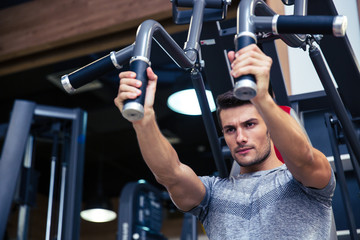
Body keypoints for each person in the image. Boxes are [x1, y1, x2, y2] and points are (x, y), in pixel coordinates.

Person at [114, 44, 335, 239]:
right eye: (230, 129)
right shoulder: (212, 195)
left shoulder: (301, 183)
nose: (239, 138)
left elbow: (304, 159)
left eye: (250, 124)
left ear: (269, 127)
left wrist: (261, 98)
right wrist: (144, 120)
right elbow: (170, 174)